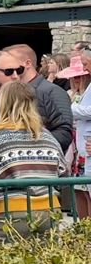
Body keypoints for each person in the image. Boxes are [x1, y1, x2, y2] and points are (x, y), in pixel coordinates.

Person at [0, 82, 66, 239]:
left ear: (2, 103)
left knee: (4, 261)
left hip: (8, 214)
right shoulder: (47, 136)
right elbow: (64, 175)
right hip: (49, 211)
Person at [60, 51, 90, 217]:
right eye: (74, 77)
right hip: (74, 145)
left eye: (80, 76)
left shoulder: (87, 93)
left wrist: (72, 110)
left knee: (87, 189)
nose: (76, 80)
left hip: (85, 144)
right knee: (77, 187)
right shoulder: (69, 94)